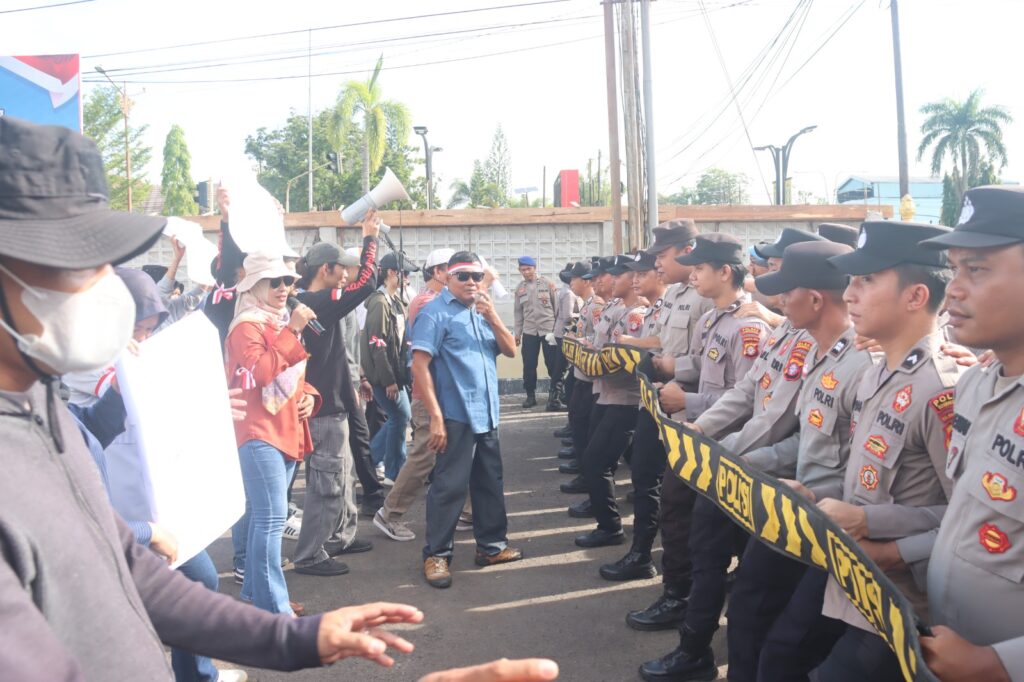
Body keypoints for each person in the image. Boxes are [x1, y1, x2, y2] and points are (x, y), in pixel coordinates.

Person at [0, 116, 427, 679]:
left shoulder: (43, 407)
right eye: (75, 264)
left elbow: (126, 564)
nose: (104, 287)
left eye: (105, 262)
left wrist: (291, 640)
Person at [775, 221, 961, 680]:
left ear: (915, 296)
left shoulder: (942, 391)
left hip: (902, 601)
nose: (849, 294)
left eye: (867, 280)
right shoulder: (876, 373)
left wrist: (888, 544)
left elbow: (966, 520)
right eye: (851, 280)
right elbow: (863, 477)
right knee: (780, 649)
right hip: (855, 576)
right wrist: (817, 498)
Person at [723, 240, 873, 680]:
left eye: (788, 291)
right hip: (796, 509)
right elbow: (806, 442)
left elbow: (862, 471)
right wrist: (748, 461)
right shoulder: (816, 352)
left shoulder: (863, 365)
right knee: (749, 604)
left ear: (815, 300)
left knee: (788, 644)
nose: (780, 300)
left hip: (834, 528)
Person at [639, 234, 770, 682]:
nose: (692, 275)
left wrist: (688, 402)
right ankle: (686, 613)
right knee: (685, 525)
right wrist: (672, 370)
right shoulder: (714, 317)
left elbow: (747, 399)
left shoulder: (750, 328)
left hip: (729, 451)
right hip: (700, 441)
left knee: (712, 547)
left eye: (700, 268)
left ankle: (695, 635)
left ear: (725, 272)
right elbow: (703, 367)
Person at [915, 185, 1024, 682]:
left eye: (976, 269)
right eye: (954, 269)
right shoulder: (976, 382)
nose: (953, 289)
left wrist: (998, 663)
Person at [411, 252, 523, 588]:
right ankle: (437, 555)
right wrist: (435, 417)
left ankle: (491, 547)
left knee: (489, 484)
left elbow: (510, 350)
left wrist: (493, 316)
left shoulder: (480, 311)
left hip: (486, 415)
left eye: (477, 276)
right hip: (455, 415)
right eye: (463, 276)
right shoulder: (434, 312)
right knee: (449, 487)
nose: (472, 282)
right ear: (447, 277)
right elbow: (419, 365)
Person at [225, 252, 320, 616]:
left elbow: (293, 375)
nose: (284, 288)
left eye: (288, 281)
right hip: (257, 430)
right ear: (254, 286)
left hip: (283, 428)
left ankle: (257, 592)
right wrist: (292, 331)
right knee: (270, 519)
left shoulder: (276, 322)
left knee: (262, 517)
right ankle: (273, 606)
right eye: (275, 282)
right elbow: (264, 373)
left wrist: (309, 396)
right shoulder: (245, 326)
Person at [291, 231, 381, 577]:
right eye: (341, 267)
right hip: (323, 409)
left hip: (333, 403)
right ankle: (310, 555)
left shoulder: (308, 301)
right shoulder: (316, 301)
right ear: (324, 269)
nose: (346, 274)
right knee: (326, 483)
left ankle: (340, 537)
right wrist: (370, 239)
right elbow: (367, 283)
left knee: (342, 477)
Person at [374, 247, 474, 541]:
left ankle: (470, 510)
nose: (464, 280)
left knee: (462, 452)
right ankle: (389, 513)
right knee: (423, 457)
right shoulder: (429, 303)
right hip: (431, 394)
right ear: (439, 272)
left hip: (447, 394)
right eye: (458, 274)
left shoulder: (439, 301)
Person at [573, 255, 648, 548]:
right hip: (606, 394)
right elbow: (606, 346)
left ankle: (610, 527)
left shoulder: (636, 315)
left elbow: (630, 361)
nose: (611, 280)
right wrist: (591, 350)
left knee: (597, 462)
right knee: (596, 459)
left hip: (624, 399)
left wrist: (597, 360)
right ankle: (605, 518)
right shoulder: (617, 308)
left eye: (618, 275)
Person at [363, 251, 418, 484]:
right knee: (400, 416)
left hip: (396, 373)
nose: (407, 279)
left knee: (400, 416)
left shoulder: (395, 300)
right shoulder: (379, 302)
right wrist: (388, 380)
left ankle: (374, 464)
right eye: (405, 274)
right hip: (384, 375)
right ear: (391, 273)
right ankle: (386, 468)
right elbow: (377, 344)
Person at [514, 255, 558, 408]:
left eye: (528, 269)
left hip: (549, 330)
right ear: (519, 270)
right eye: (523, 269)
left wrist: (559, 331)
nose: (526, 272)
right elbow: (518, 312)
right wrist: (517, 333)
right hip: (529, 331)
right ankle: (530, 396)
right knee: (529, 365)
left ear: (535, 268)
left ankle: (555, 395)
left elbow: (557, 308)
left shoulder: (548, 284)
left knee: (552, 363)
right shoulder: (520, 288)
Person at [548, 262, 581, 411]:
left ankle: (556, 398)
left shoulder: (565, 291)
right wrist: (582, 315)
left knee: (560, 367)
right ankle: (554, 400)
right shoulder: (569, 293)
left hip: (561, 332)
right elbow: (568, 316)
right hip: (564, 333)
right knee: (561, 368)